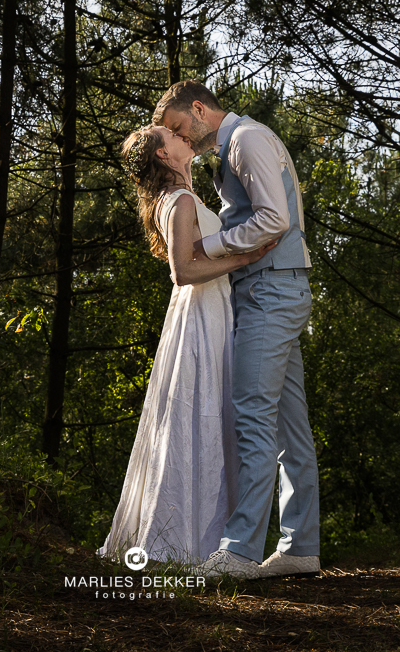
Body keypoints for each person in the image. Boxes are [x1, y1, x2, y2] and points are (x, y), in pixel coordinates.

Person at [155, 80, 321, 581]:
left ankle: (241, 550)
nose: (185, 140)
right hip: (272, 290)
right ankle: (300, 546)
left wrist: (212, 248)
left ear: (200, 109)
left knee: (252, 417)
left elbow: (274, 219)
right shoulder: (235, 148)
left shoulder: (245, 139)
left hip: (270, 291)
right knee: (291, 428)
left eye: (182, 128)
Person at [98, 123, 274, 566]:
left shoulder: (180, 198)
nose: (180, 136)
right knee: (200, 413)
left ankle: (211, 536)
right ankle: (188, 541)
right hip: (199, 315)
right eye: (171, 136)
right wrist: (244, 258)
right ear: (163, 155)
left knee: (207, 413)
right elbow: (183, 271)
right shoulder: (177, 201)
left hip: (210, 310)